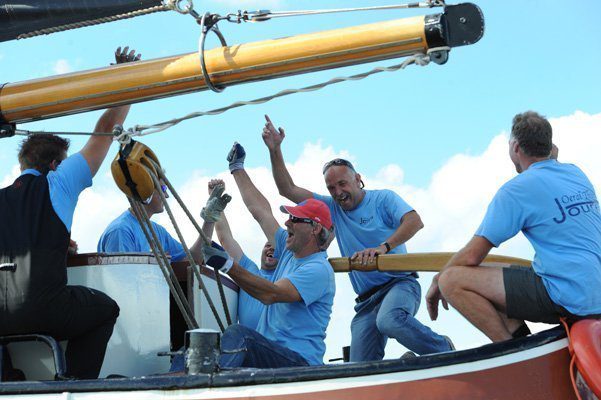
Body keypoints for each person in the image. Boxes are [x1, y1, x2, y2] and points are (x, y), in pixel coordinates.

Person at [261, 115, 453, 361]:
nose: (338, 192)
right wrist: (275, 150)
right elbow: (287, 189)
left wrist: (383, 248)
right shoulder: (331, 208)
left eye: (343, 184)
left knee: (390, 320)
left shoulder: (383, 199)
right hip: (366, 301)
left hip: (398, 284)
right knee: (358, 367)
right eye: (332, 188)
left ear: (358, 179)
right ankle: (405, 366)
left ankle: (442, 348)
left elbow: (415, 221)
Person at [0, 47, 139, 380]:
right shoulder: (59, 182)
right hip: (44, 309)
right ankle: (75, 381)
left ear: (22, 165)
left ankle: (8, 377)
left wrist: (57, 244)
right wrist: (126, 77)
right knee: (106, 309)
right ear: (54, 165)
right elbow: (106, 127)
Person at [425, 111, 601, 342]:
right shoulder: (575, 173)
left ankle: (512, 351)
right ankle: (521, 339)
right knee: (496, 269)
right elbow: (552, 154)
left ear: (515, 147)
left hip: (573, 299)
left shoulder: (516, 190)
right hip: (594, 288)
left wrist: (438, 280)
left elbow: (471, 256)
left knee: (453, 280)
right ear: (549, 145)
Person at [202, 142, 335, 368]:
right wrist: (237, 168)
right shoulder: (288, 251)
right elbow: (261, 212)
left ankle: (206, 385)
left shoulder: (318, 269)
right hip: (271, 354)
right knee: (199, 346)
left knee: (239, 335)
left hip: (299, 363)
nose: (287, 222)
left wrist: (227, 266)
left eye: (295, 219)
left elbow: (271, 294)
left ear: (315, 229)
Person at [208, 179, 278, 330]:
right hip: (247, 347)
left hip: (276, 348)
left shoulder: (287, 274)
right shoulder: (248, 268)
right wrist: (214, 200)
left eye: (275, 247)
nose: (271, 249)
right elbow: (225, 238)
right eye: (267, 245)